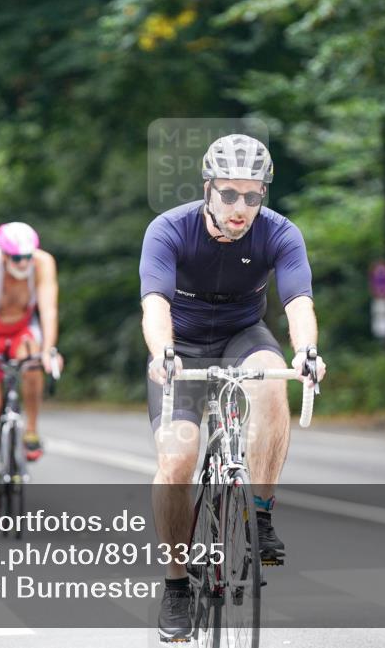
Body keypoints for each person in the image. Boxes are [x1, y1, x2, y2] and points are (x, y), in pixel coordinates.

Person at [139, 134, 326, 642]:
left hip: (244, 336)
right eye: (229, 195)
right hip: (183, 347)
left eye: (252, 196)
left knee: (271, 383)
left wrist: (307, 351)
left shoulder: (280, 234)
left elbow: (297, 303)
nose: (240, 207)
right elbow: (154, 302)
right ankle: (177, 584)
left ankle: (260, 512)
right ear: (208, 189)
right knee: (177, 461)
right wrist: (162, 353)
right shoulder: (169, 230)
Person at [0, 222, 61, 515]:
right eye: (17, 258)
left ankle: (30, 430)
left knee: (34, 361)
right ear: (4, 255)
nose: (24, 263)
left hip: (23, 330)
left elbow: (48, 310)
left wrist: (49, 351)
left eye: (28, 256)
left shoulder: (43, 264)